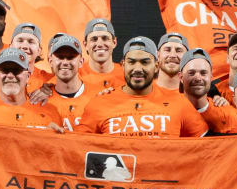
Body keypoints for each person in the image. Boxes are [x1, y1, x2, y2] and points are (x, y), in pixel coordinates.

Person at [77, 38, 208, 136]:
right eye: (131, 62)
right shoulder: (100, 103)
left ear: (156, 66)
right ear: (123, 65)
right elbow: (76, 144)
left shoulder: (179, 103)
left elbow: (208, 146)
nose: (138, 68)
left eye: (145, 62)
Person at [179, 49, 237, 134]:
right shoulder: (168, 114)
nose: (198, 78)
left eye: (203, 73)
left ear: (211, 77)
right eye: (191, 73)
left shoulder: (230, 115)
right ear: (181, 77)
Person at [41, 33, 93, 130]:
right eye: (60, 57)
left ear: (81, 61)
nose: (65, 62)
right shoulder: (42, 101)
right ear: (50, 61)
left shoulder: (97, 97)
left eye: (70, 57)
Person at [82, 19, 122, 92]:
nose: (100, 44)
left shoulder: (127, 75)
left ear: (114, 42)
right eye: (94, 39)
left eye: (105, 38)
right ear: (85, 45)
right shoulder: (75, 75)